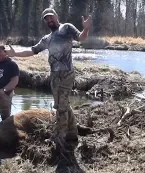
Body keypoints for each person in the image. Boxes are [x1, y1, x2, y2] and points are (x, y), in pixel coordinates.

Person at [6, 8, 93, 149]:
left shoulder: (66, 28)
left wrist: (86, 29)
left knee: (60, 106)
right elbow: (32, 50)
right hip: (54, 75)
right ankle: (72, 133)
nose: (49, 20)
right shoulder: (47, 38)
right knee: (63, 104)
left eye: (51, 17)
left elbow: (81, 38)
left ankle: (60, 138)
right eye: (46, 19)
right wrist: (14, 53)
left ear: (56, 16)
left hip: (66, 74)